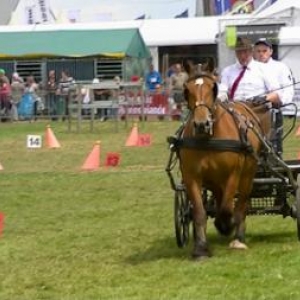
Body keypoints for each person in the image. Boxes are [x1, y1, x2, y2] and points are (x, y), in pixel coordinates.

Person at [219, 37, 284, 155]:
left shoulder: (264, 69)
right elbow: (223, 91)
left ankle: (263, 148)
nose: (243, 55)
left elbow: (277, 93)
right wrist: (221, 97)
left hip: (258, 110)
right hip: (235, 110)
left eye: (246, 52)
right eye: (239, 52)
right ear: (235, 53)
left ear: (251, 51)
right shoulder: (228, 71)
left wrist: (264, 98)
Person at [254, 38, 295, 156]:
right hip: (250, 110)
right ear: (254, 52)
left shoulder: (280, 67)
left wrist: (278, 100)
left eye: (264, 51)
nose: (261, 54)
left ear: (271, 51)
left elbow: (288, 91)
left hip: (272, 111)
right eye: (258, 51)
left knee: (272, 149)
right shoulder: (249, 68)